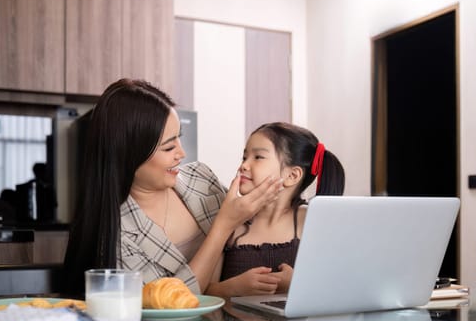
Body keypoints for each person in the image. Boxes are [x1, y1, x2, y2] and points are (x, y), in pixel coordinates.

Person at [63, 78, 283, 298]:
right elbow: (166, 304)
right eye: (169, 147)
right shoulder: (119, 237)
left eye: (179, 138)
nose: (182, 153)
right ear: (129, 156)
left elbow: (255, 240)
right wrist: (222, 226)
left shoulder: (201, 179)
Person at [205, 122, 345, 298]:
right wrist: (232, 289)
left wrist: (298, 284)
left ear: (292, 176)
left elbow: (339, 289)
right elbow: (203, 292)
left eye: (258, 157)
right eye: (244, 157)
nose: (244, 166)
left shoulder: (314, 222)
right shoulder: (232, 222)